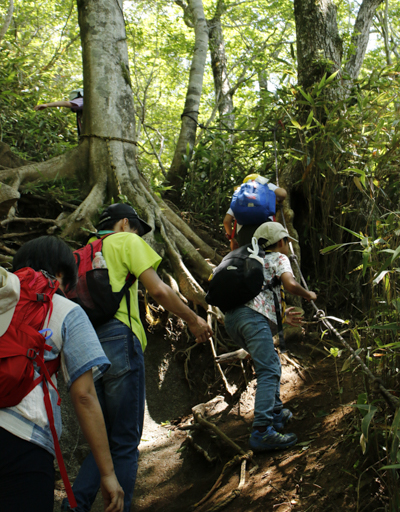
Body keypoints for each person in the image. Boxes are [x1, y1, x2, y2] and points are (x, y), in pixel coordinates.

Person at [70, 203, 212, 512]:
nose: (136, 234)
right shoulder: (127, 241)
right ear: (124, 223)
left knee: (101, 439)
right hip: (120, 338)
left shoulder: (82, 253)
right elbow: (159, 291)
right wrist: (192, 319)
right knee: (124, 441)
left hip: (84, 346)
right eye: (135, 227)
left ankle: (76, 506)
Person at [0, 236, 124, 512]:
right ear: (60, 274)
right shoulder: (66, 310)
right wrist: (107, 474)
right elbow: (84, 396)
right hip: (24, 443)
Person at [224, 222, 317, 452]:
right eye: (287, 242)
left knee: (270, 363)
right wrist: (309, 295)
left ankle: (275, 414)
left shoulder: (251, 260)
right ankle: (262, 431)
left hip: (232, 320)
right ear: (281, 242)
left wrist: (283, 316)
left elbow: (259, 298)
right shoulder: (278, 258)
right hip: (251, 319)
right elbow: (290, 284)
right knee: (269, 370)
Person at [223, 173, 287, 249]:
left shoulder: (241, 194)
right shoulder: (266, 186)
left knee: (250, 258)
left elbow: (226, 221)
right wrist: (270, 186)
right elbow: (283, 194)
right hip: (267, 228)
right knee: (269, 256)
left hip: (245, 233)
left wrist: (232, 240)